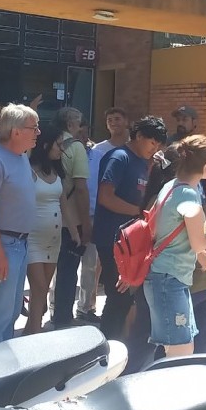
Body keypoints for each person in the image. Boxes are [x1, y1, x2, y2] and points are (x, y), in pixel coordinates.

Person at [144, 135, 206, 357]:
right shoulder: (189, 194)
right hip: (170, 280)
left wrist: (199, 254)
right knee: (181, 351)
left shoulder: (170, 186)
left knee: (177, 347)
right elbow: (200, 240)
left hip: (166, 276)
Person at [93, 116, 167, 340]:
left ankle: (112, 342)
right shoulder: (119, 157)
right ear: (139, 136)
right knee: (118, 296)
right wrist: (138, 212)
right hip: (112, 238)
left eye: (158, 145)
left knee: (124, 297)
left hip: (131, 239)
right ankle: (104, 346)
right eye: (152, 142)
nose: (154, 148)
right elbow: (105, 197)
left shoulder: (144, 161)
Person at [0, 104, 39, 349]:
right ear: (15, 132)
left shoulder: (20, 157)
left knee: (11, 313)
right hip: (1, 244)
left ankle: (0, 370)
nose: (37, 133)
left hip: (19, 244)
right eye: (33, 127)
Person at [78, 107, 130, 324]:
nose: (114, 123)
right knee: (91, 264)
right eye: (109, 120)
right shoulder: (98, 151)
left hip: (125, 218)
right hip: (98, 214)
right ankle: (85, 307)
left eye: (118, 119)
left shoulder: (132, 150)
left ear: (127, 121)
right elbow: (91, 185)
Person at [52, 107, 93, 328]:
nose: (80, 128)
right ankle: (63, 318)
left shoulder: (47, 143)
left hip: (47, 212)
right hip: (71, 218)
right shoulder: (76, 147)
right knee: (69, 269)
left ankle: (48, 312)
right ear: (70, 125)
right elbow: (81, 188)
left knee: (48, 268)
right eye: (78, 124)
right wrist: (85, 222)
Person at [25, 126, 67, 334]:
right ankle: (36, 333)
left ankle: (29, 330)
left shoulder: (57, 171)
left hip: (54, 239)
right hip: (32, 238)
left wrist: (76, 232)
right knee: (39, 288)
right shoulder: (29, 169)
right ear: (46, 145)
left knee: (42, 291)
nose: (61, 149)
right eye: (58, 144)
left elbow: (64, 202)